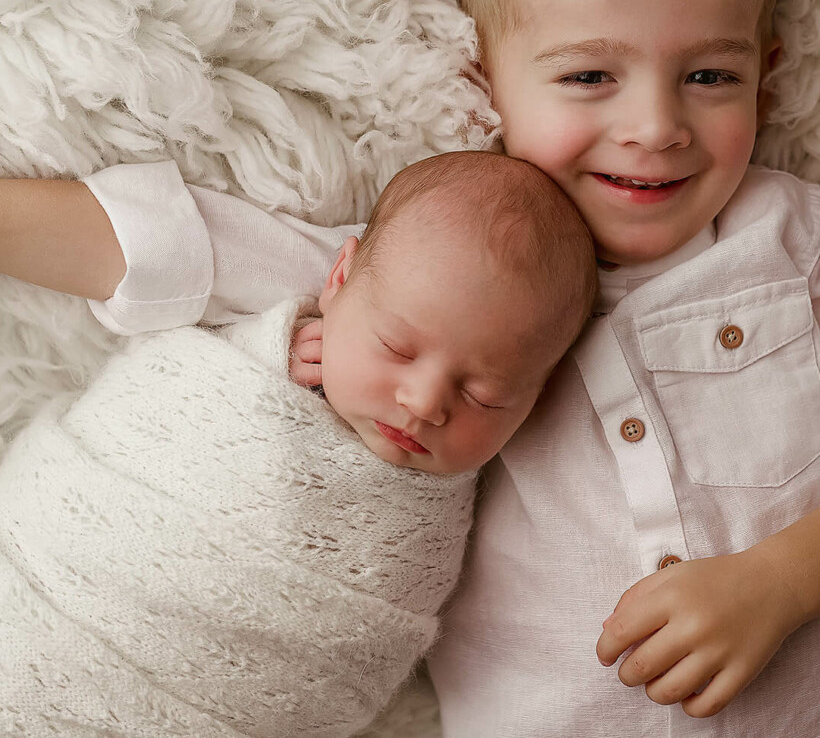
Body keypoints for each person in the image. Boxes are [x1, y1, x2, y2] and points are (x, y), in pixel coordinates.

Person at [2, 0, 820, 736]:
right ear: (482, 78)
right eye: (590, 76)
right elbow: (176, 247)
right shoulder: (427, 262)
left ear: (768, 75)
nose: (655, 127)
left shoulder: (805, 247)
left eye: (709, 77)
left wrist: (782, 581)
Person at [0, 151, 598, 738]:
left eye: (485, 396)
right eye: (395, 347)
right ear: (339, 278)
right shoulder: (295, 278)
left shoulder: (512, 482)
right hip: (54, 589)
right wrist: (260, 350)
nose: (424, 403)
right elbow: (151, 245)